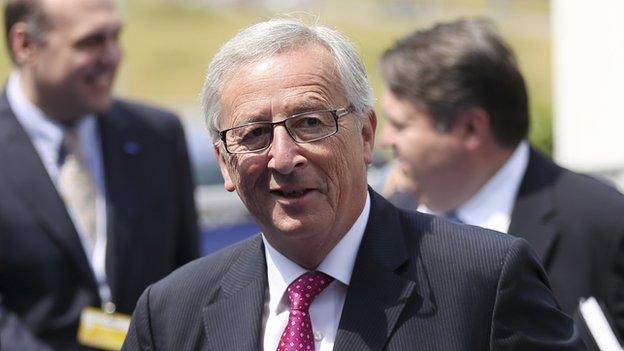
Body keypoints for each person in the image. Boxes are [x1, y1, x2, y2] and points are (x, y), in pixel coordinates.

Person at [122, 18, 583, 350]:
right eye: (254, 135)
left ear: (366, 136)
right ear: (225, 163)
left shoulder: (484, 282)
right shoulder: (169, 314)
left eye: (309, 123)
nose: (283, 158)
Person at [379, 17, 624, 337]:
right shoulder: (390, 220)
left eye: (400, 125)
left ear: (470, 128)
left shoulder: (600, 222)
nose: (384, 140)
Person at [0, 0, 200, 349]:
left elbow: (191, 280)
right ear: (25, 45)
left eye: (115, 37)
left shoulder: (157, 136)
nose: (113, 57)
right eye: (91, 42)